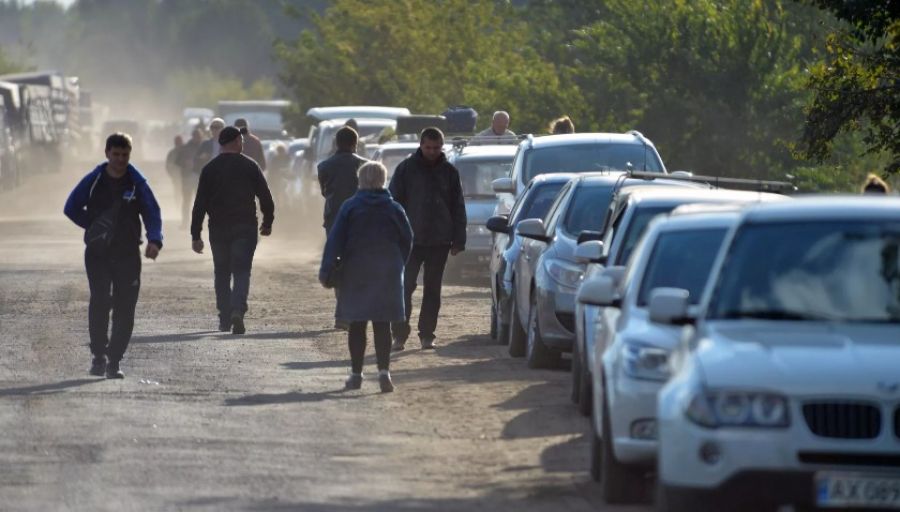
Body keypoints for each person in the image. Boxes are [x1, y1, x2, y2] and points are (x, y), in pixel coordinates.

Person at [63, 132, 163, 379]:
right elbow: (71, 207)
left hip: (128, 253)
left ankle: (114, 361)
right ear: (107, 153)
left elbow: (152, 212)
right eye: (115, 154)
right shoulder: (94, 179)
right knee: (100, 300)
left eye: (124, 155)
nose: (120, 159)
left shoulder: (137, 183)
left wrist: (154, 240)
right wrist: (93, 226)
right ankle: (98, 355)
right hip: (98, 253)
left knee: (125, 307)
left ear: (129, 154)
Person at [319, 161, 412, 392]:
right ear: (383, 180)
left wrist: (327, 269)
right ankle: (384, 374)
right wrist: (398, 262)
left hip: (356, 271)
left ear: (360, 180)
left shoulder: (350, 207)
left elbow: (335, 240)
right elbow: (407, 239)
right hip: (387, 272)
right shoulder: (394, 208)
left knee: (357, 324)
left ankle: (356, 375)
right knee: (382, 323)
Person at [191, 126, 275, 335]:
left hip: (218, 228)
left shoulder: (209, 169)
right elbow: (265, 197)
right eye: (241, 141)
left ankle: (225, 317)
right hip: (245, 226)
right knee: (242, 270)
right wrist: (267, 222)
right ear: (237, 141)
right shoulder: (250, 166)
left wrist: (196, 235)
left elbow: (199, 204)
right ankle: (237, 309)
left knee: (221, 272)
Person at [388, 127, 466, 350]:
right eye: (428, 147)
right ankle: (399, 335)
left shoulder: (449, 172)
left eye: (436, 148)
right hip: (410, 241)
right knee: (404, 287)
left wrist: (458, 240)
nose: (432, 152)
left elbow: (458, 206)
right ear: (421, 145)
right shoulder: (406, 169)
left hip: (439, 241)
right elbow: (393, 203)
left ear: (442, 147)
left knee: (432, 289)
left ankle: (427, 335)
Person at [318, 126, 368, 233]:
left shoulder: (323, 166)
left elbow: (324, 192)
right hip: (359, 216)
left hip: (333, 216)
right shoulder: (365, 165)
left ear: (336, 144)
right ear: (355, 144)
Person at [179, 128, 204, 228]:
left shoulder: (205, 147)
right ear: (193, 137)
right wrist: (185, 163)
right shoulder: (185, 148)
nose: (197, 138)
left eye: (199, 137)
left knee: (200, 202)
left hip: (200, 177)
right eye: (196, 136)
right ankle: (185, 222)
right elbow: (178, 161)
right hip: (188, 177)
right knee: (187, 201)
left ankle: (199, 223)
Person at [165, 135, 185, 214]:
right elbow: (168, 166)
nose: (178, 143)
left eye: (179, 141)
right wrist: (172, 175)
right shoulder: (172, 153)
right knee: (178, 193)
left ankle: (186, 207)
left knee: (187, 192)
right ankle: (178, 207)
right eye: (177, 142)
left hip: (187, 177)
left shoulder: (186, 151)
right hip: (177, 177)